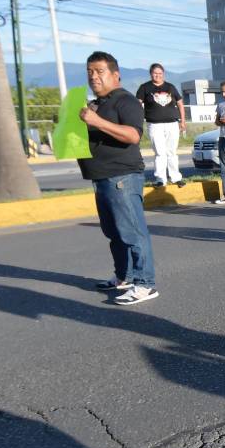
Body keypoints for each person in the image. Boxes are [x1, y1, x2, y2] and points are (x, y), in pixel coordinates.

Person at [79, 51, 157, 306]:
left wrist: (96, 121)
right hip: (101, 178)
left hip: (122, 176)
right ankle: (124, 276)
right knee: (114, 233)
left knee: (133, 232)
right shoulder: (96, 105)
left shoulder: (126, 102)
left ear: (115, 74)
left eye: (99, 71)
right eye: (90, 71)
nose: (94, 76)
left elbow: (133, 136)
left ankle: (145, 284)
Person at [136, 63, 186, 188]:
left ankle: (176, 177)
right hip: (154, 124)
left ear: (163, 74)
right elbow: (137, 105)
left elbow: (180, 104)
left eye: (160, 73)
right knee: (159, 152)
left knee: (172, 152)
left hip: (172, 124)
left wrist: (182, 121)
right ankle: (160, 179)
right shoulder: (144, 88)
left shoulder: (170, 87)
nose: (157, 75)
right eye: (155, 73)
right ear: (151, 74)